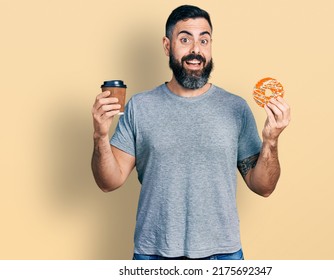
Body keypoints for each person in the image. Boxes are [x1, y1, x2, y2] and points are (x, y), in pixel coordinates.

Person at [91, 5, 290, 260]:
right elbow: (109, 182)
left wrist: (271, 140)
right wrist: (100, 136)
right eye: (185, 39)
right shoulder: (140, 108)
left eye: (204, 40)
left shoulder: (235, 108)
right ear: (167, 45)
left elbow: (263, 186)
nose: (196, 50)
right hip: (154, 255)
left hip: (222, 255)